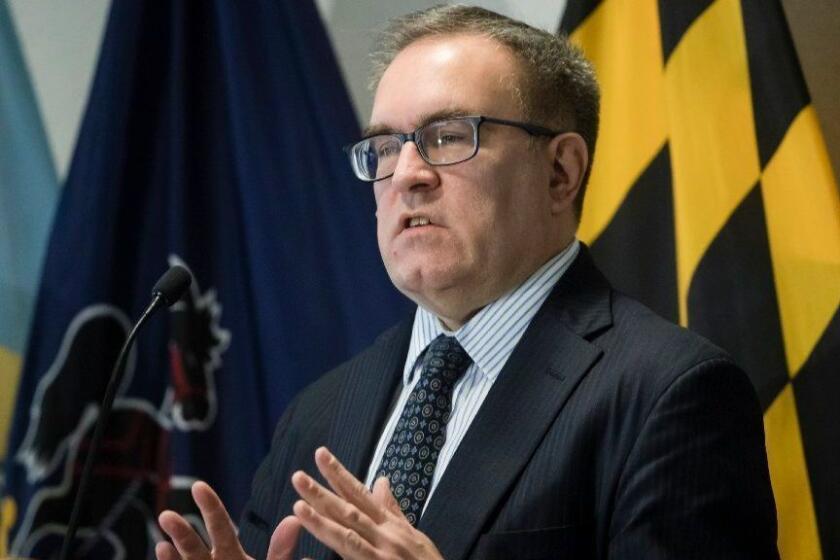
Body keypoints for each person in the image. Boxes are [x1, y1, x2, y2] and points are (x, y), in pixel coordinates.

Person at [155, 6, 778, 559]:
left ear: (561, 172)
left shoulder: (669, 393)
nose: (406, 175)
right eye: (385, 147)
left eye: (448, 137)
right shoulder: (318, 411)